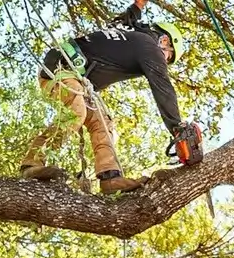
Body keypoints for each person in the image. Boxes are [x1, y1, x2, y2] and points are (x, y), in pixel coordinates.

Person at [18, 0, 204, 194]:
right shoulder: (150, 46)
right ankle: (31, 164)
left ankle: (110, 178)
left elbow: (130, 17)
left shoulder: (131, 33)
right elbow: (162, 86)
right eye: (168, 57)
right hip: (60, 69)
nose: (164, 61)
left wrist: (139, 5)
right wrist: (177, 127)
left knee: (103, 124)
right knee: (76, 112)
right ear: (164, 41)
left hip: (79, 79)